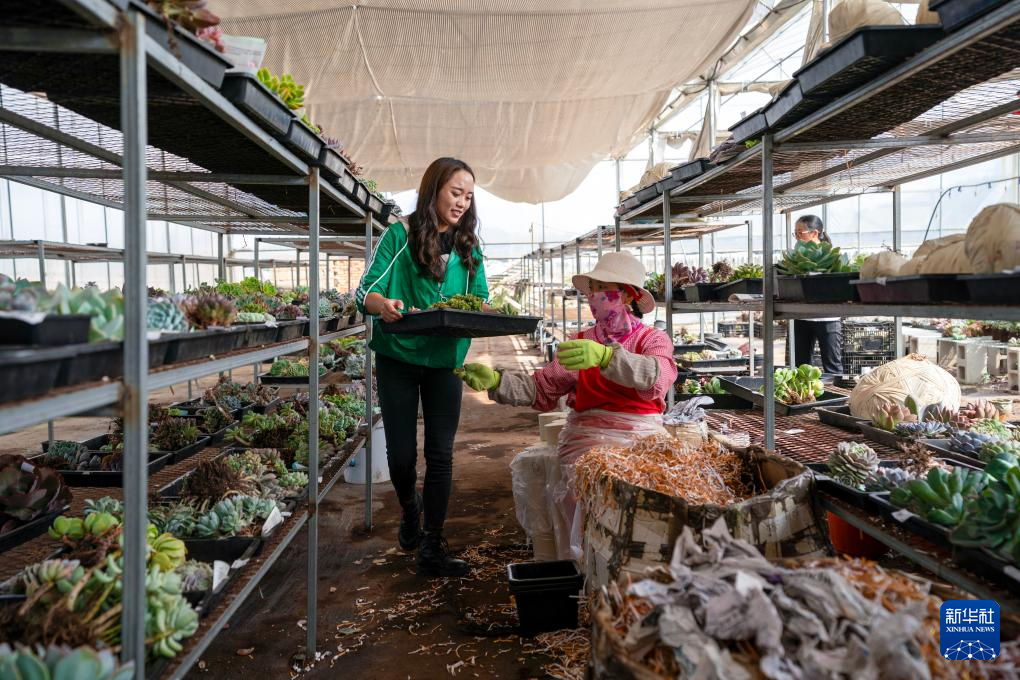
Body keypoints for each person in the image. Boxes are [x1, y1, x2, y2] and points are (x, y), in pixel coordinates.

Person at [458, 251, 677, 559]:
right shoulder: (580, 341)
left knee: (644, 507)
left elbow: (658, 378)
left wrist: (607, 357)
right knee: (585, 498)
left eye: (603, 288)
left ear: (628, 296)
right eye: (592, 289)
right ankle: (586, 565)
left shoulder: (652, 340)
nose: (594, 296)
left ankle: (634, 564)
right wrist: (497, 382)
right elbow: (542, 388)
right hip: (585, 439)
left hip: (642, 439)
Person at [356, 157, 487, 577]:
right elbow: (365, 292)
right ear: (434, 190)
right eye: (455, 192)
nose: (462, 203)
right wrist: (384, 304)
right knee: (400, 457)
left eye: (468, 196)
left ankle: (432, 543)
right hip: (398, 355)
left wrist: (487, 313)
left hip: (444, 360)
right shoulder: (400, 234)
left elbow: (480, 298)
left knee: (441, 453)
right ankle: (410, 507)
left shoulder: (469, 246)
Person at [792, 215, 843, 373]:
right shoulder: (796, 256)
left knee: (832, 366)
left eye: (800, 232)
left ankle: (836, 389)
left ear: (815, 233)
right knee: (801, 367)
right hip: (801, 316)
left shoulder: (831, 255)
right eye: (795, 233)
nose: (797, 237)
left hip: (827, 317)